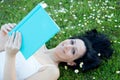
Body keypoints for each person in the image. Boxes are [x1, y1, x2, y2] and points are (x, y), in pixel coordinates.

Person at [0, 23, 113, 80]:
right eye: (72, 42)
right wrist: (4, 34)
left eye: (73, 51)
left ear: (72, 62)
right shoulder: (39, 41)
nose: (68, 46)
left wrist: (11, 56)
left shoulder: (52, 71)